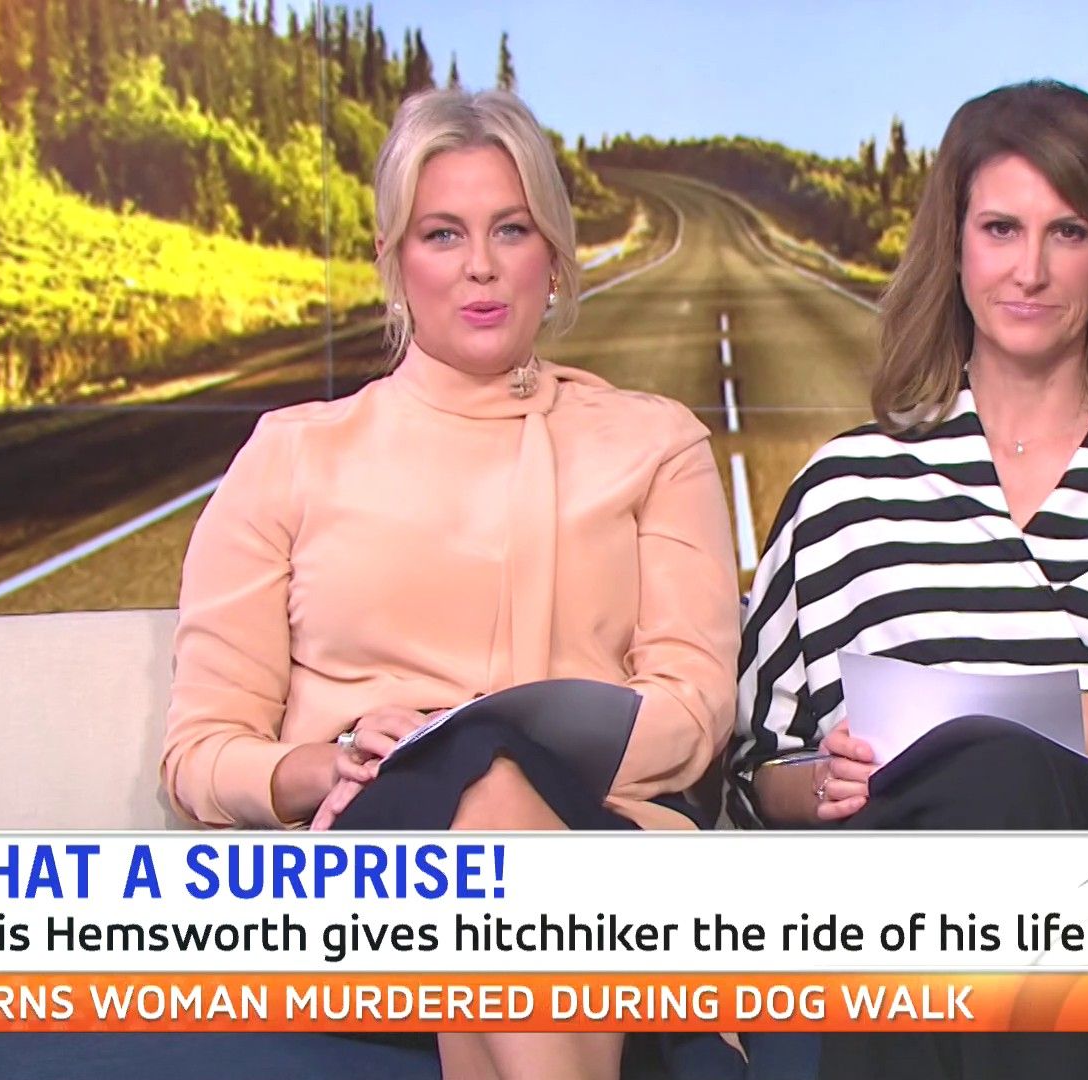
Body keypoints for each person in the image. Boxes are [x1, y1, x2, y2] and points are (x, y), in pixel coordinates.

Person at [162, 87, 740, 1080]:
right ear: (395, 260)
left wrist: (499, 742)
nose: (480, 265)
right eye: (443, 234)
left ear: (553, 255)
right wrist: (329, 764)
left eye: (511, 229)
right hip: (373, 868)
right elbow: (200, 753)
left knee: (497, 785)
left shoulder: (656, 444)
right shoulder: (292, 455)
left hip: (598, 832)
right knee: (483, 794)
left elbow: (694, 710)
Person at [730, 80, 1088, 1079]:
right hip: (881, 897)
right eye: (1001, 228)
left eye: (1068, 232)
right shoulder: (846, 487)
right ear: (955, 247)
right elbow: (755, 770)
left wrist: (984, 715)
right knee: (943, 830)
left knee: (995, 770)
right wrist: (823, 782)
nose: (1030, 270)